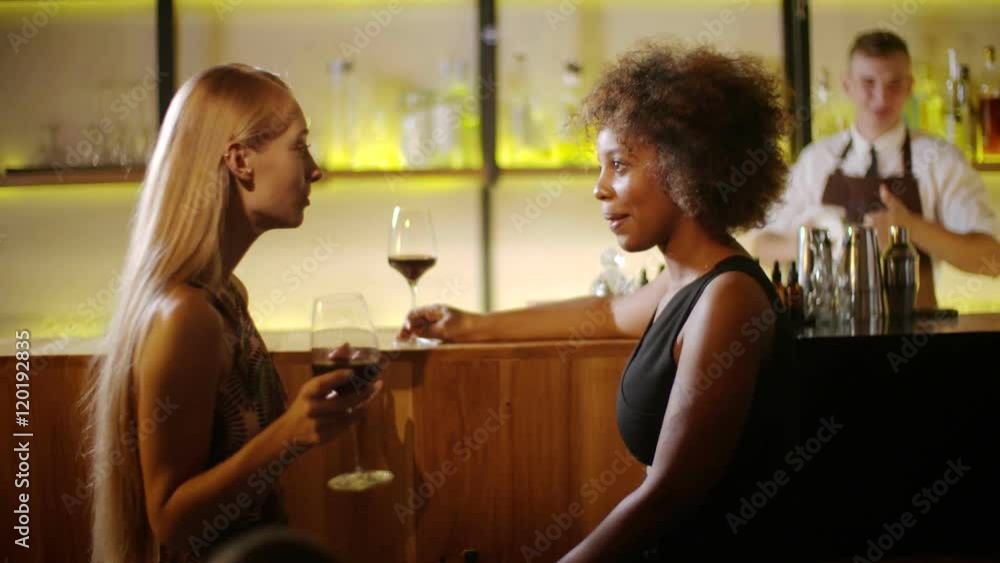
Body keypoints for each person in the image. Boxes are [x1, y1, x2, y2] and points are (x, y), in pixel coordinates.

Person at [415, 42, 802, 561]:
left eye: (618, 165)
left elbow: (667, 494)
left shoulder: (728, 299)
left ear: (684, 167)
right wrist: (471, 325)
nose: (600, 189)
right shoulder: (684, 282)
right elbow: (604, 313)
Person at [83, 64, 382, 563]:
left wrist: (308, 419)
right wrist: (289, 435)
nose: (315, 169)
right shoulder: (186, 315)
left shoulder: (224, 295)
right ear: (241, 160)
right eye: (300, 146)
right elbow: (170, 520)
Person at [751, 30, 999, 307]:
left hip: (916, 334)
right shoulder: (816, 160)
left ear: (910, 87)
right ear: (848, 86)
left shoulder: (940, 159)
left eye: (894, 84)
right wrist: (823, 243)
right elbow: (762, 245)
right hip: (825, 336)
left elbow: (991, 261)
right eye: (868, 82)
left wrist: (911, 227)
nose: (881, 98)